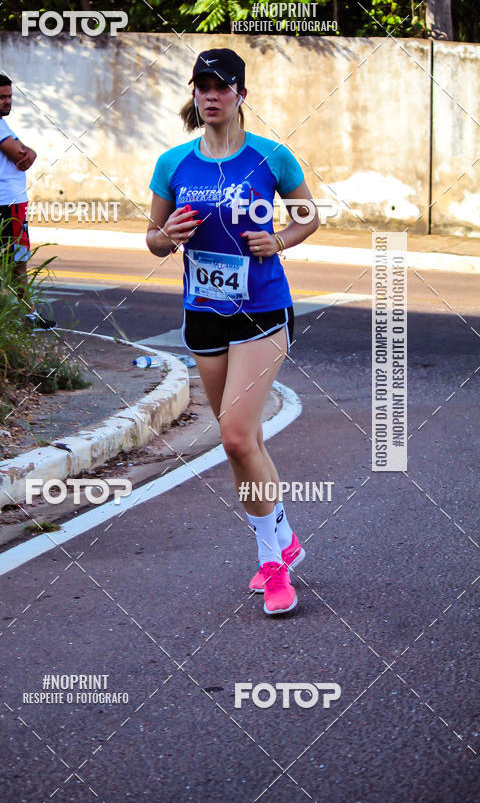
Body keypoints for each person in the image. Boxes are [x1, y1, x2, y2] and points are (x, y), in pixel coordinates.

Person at [147, 48, 319, 616]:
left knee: (236, 438)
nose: (210, 95)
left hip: (263, 309)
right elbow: (152, 237)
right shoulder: (174, 163)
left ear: (241, 94)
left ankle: (273, 563)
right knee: (244, 444)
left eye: (221, 86)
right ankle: (284, 536)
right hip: (203, 312)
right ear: (194, 95)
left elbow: (307, 213)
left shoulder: (271, 157)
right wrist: (166, 233)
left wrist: (281, 241)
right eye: (202, 86)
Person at [0, 73, 55, 329]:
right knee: (11, 261)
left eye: (10, 96)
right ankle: (10, 317)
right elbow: (20, 154)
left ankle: (21, 314)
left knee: (17, 259)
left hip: (11, 201)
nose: (8, 101)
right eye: (2, 97)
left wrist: (31, 153)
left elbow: (28, 153)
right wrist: (27, 153)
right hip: (5, 203)